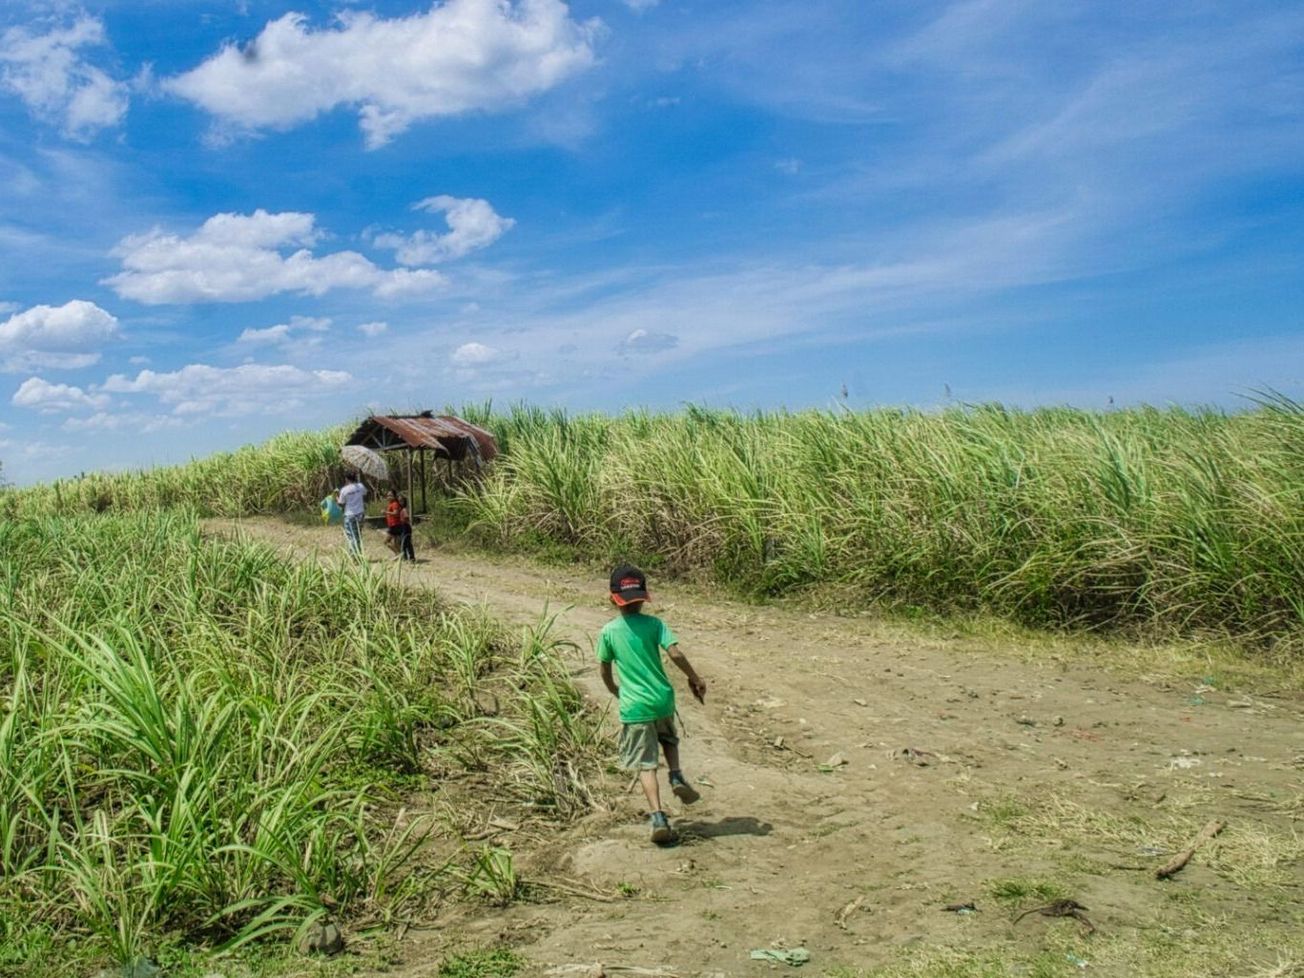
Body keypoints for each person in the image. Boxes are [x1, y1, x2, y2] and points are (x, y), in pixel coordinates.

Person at [596, 563, 707, 845]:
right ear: (643, 597)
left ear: (613, 598)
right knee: (669, 738)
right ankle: (676, 775)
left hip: (634, 707)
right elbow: (676, 654)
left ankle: (658, 816)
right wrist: (694, 677)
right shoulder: (656, 625)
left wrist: (615, 691)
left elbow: (605, 670)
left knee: (646, 765)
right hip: (662, 700)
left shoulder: (608, 632)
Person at [337, 472, 367, 556]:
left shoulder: (344, 490)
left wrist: (337, 497)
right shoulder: (360, 486)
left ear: (346, 479)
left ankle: (354, 555)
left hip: (350, 514)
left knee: (351, 536)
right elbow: (365, 493)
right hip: (360, 514)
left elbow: (341, 503)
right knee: (357, 535)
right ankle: (359, 554)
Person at [384, 489, 415, 561]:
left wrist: (386, 512)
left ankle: (402, 555)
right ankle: (403, 556)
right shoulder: (393, 504)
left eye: (390, 495)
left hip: (398, 526)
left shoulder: (396, 505)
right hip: (397, 525)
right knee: (398, 543)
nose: (388, 497)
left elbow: (396, 513)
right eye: (388, 495)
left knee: (388, 541)